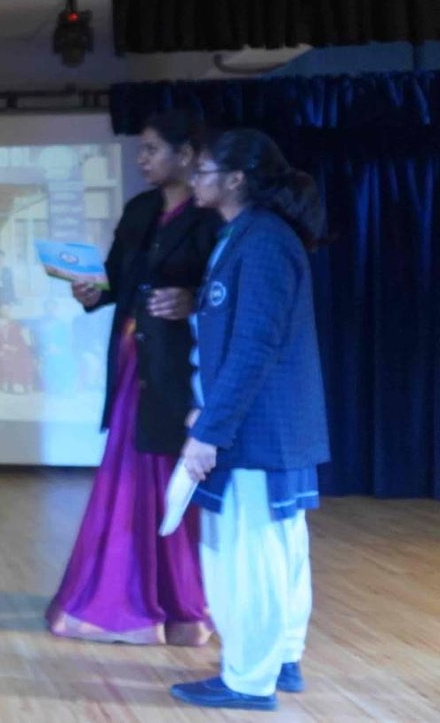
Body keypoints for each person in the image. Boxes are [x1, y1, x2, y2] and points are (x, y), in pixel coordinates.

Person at [169, 128, 329, 712]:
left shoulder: (260, 241)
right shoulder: (247, 235)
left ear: (236, 178)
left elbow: (255, 346)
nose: (195, 178)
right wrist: (208, 408)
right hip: (266, 424)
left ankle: (249, 680)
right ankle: (279, 658)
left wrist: (210, 429)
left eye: (204, 169)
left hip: (259, 429)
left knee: (252, 554)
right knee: (278, 549)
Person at [46, 110, 219, 646]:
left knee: (169, 474)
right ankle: (128, 594)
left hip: (182, 367)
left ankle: (178, 603)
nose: (142, 159)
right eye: (141, 149)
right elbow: (117, 281)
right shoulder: (140, 209)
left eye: (151, 149)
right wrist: (92, 291)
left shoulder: (210, 217)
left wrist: (193, 300)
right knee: (130, 474)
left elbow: (225, 292)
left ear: (186, 155)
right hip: (133, 360)